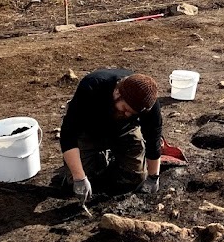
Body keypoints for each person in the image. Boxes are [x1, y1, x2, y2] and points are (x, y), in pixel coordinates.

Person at [57, 69, 163, 203]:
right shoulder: (91, 86)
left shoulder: (147, 103)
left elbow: (153, 139)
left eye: (133, 113)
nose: (128, 115)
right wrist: (79, 177)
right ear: (117, 92)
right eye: (125, 109)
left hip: (124, 130)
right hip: (88, 130)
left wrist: (153, 177)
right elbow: (68, 135)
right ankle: (97, 160)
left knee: (135, 179)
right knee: (75, 183)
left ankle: (110, 160)